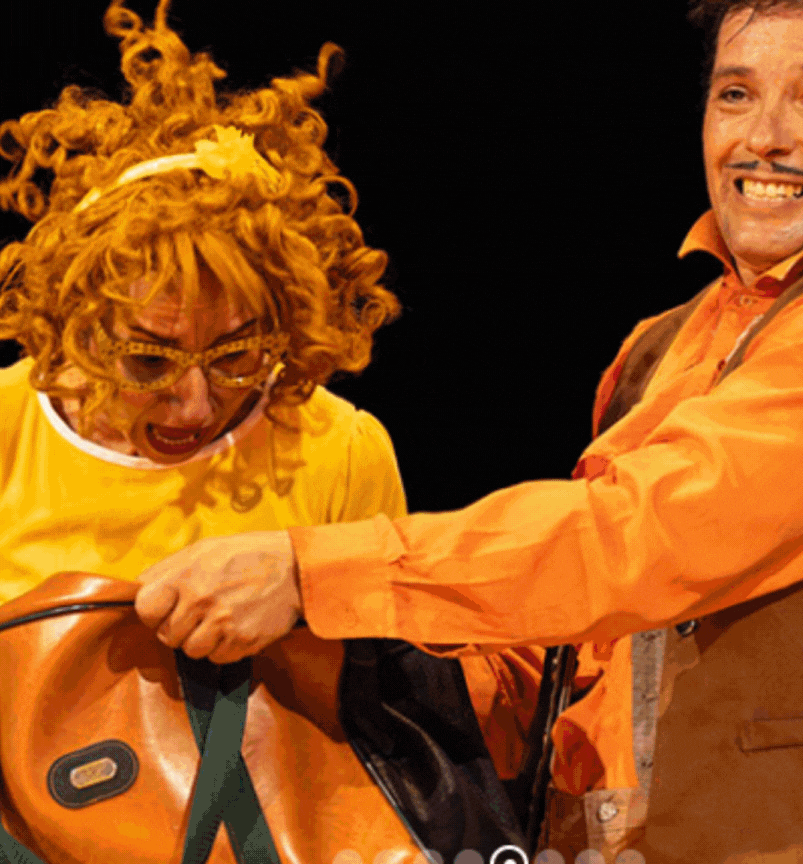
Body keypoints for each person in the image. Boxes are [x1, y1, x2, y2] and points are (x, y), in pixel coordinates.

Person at [137, 0, 803, 860]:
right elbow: (584, 652)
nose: (764, 139)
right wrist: (343, 682)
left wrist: (309, 573)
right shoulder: (661, 345)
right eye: (735, 94)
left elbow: (636, 538)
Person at [0, 0, 546, 859]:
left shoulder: (337, 449)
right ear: (78, 323)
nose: (194, 404)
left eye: (236, 357)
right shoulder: (6, 429)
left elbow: (389, 723)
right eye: (147, 360)